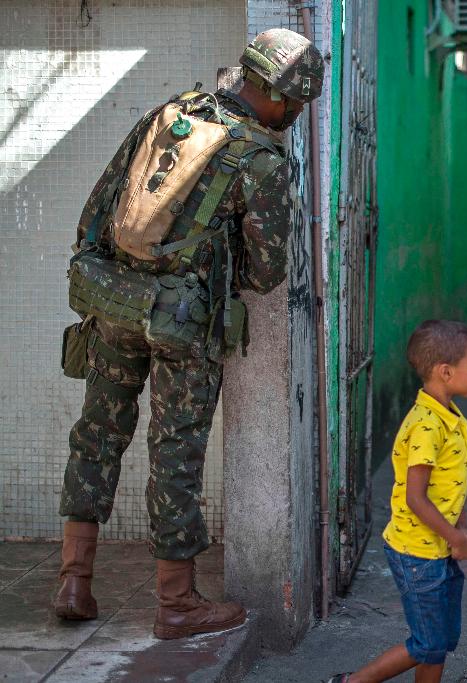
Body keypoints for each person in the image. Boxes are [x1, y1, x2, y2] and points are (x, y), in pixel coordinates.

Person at [53, 29, 324, 639]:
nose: (297, 115)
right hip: (184, 325)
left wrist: (111, 279)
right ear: (280, 97)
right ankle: (176, 604)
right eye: (299, 104)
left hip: (114, 302)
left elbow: (101, 205)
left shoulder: (174, 114)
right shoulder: (260, 159)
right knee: (175, 452)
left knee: (97, 434)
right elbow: (266, 270)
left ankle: (74, 580)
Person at [332, 320, 467, 683]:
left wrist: (457, 525)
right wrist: (456, 535)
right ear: (445, 372)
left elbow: (447, 481)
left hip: (436, 549)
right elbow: (415, 497)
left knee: (439, 641)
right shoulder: (426, 425)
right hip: (417, 554)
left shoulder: (448, 415)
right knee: (426, 643)